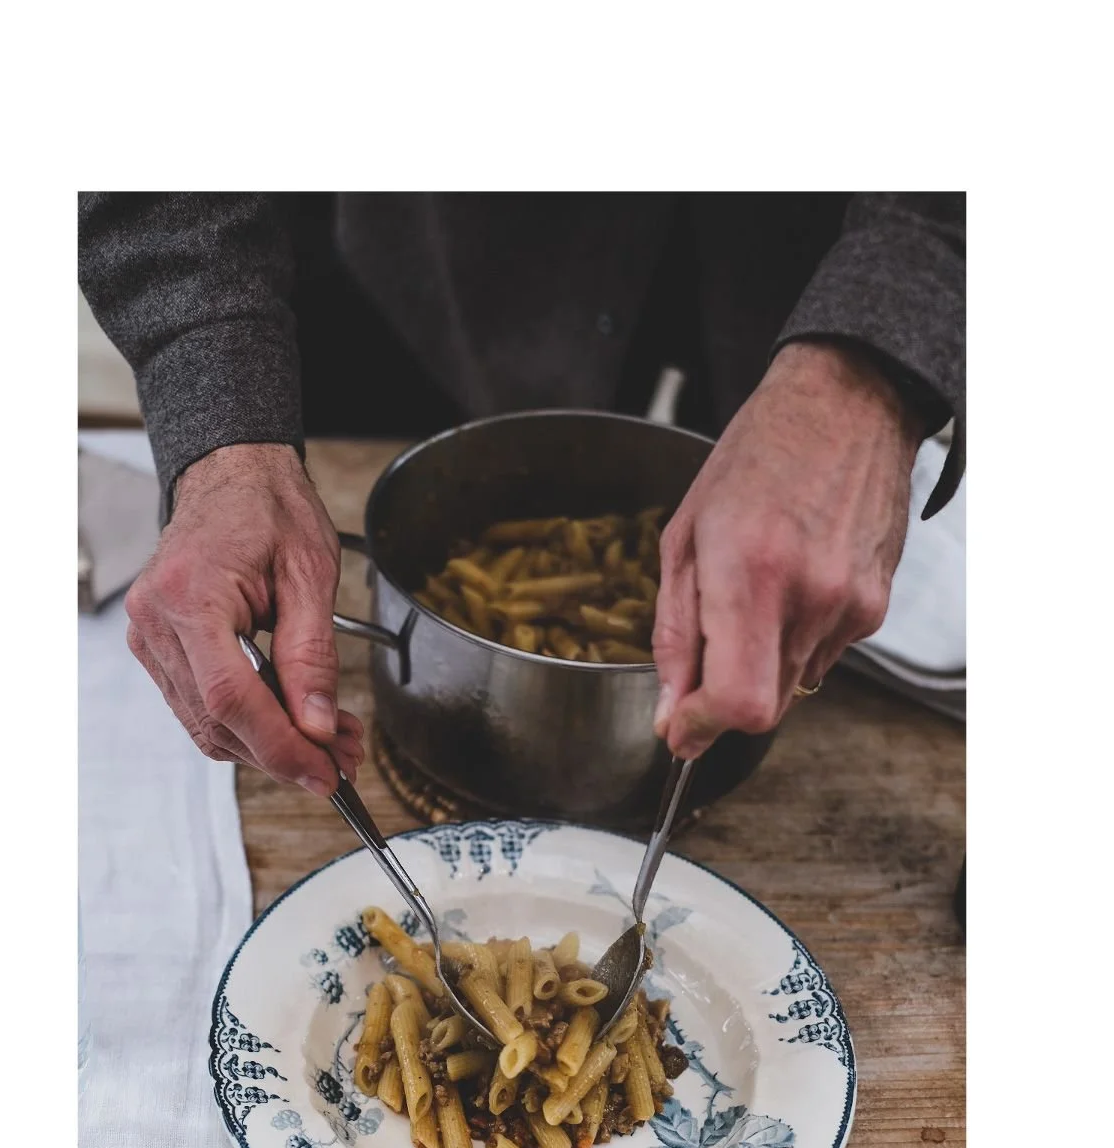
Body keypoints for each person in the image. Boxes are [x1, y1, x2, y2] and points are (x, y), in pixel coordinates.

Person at [79, 192, 964, 796]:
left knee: (743, 556)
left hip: (812, 256)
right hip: (429, 258)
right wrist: (224, 434)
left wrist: (871, 364)